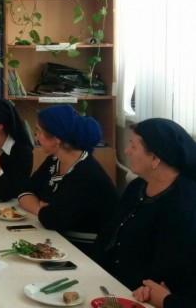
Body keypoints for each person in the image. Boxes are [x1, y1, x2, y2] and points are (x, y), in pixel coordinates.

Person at [93, 118, 196, 306]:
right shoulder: (137, 187)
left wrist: (151, 291)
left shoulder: (185, 202)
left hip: (142, 295)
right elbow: (108, 235)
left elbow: (172, 266)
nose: (126, 151)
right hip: (109, 283)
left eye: (133, 146)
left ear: (155, 158)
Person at [18, 105, 118, 255]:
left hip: (87, 250)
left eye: (39, 131)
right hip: (59, 238)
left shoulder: (87, 174)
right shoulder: (54, 160)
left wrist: (42, 210)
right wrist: (41, 208)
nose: (36, 136)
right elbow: (24, 191)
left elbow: (53, 220)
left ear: (57, 138)